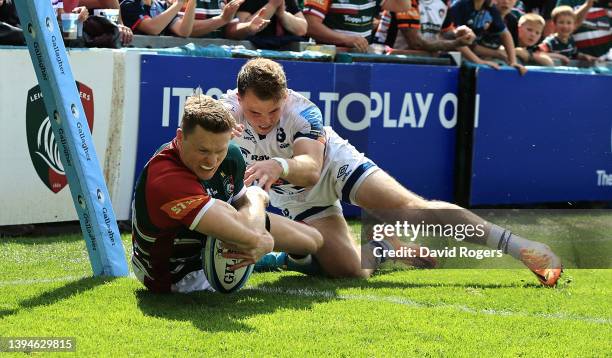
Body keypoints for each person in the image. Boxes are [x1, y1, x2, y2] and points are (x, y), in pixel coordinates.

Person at [221, 58, 563, 286]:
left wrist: (277, 164)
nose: (265, 121)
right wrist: (218, 134)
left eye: (273, 111)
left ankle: (524, 248)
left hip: (334, 166)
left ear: (285, 97)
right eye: (254, 113)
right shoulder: (225, 113)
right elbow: (189, 139)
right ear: (238, 98)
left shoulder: (302, 111)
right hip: (297, 198)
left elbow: (309, 170)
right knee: (349, 272)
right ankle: (383, 247)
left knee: (413, 209)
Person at [131, 93, 323, 293]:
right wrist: (257, 200)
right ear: (180, 138)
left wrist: (254, 219)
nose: (212, 161)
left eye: (219, 150)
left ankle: (283, 260)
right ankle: (258, 257)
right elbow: (243, 228)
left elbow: (244, 211)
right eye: (203, 151)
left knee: (313, 240)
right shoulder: (166, 177)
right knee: (229, 213)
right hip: (173, 275)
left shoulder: (231, 155)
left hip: (214, 238)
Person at [302, 0, 414, 53]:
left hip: (361, 59)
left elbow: (403, 5)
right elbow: (310, 25)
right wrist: (346, 39)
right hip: (328, 60)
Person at [451, 0, 528, 74]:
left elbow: (505, 34)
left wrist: (513, 62)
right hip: (452, 53)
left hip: (470, 53)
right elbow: (455, 38)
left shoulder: (489, 8)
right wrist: (479, 61)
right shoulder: (461, 5)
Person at [225, 0, 308, 49]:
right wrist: (272, 5)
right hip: (252, 53)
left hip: (285, 53)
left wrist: (282, 14)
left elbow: (302, 29)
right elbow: (239, 29)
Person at [120, 0, 196, 37]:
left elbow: (183, 31)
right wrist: (179, 2)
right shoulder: (128, 4)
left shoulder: (162, 6)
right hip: (135, 62)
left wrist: (192, 2)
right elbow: (153, 28)